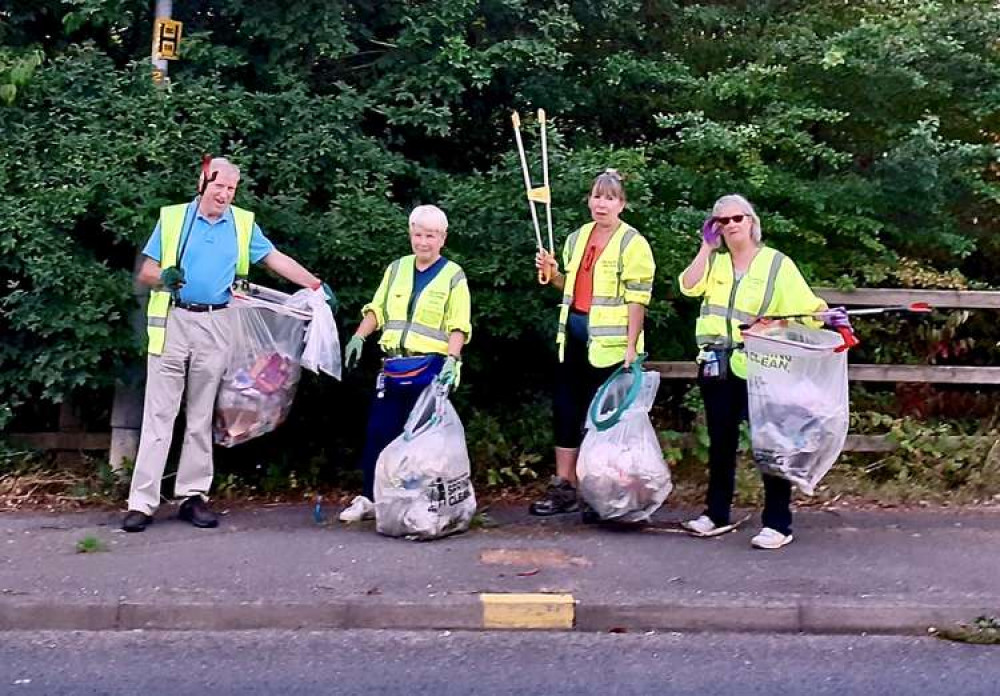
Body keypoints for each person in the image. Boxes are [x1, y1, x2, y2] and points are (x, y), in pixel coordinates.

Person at [122, 157, 336, 533]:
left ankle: (193, 496)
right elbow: (146, 270)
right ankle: (142, 503)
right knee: (159, 416)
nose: (224, 195)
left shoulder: (241, 224)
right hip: (173, 322)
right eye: (219, 186)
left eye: (231, 189)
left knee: (202, 415)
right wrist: (165, 278)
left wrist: (314, 284)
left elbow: (273, 259)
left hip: (217, 323)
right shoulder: (174, 219)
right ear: (203, 181)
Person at [677, 193, 852, 549]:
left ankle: (778, 523)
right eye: (721, 222)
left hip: (762, 369)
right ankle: (716, 513)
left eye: (736, 219)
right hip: (717, 366)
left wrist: (827, 317)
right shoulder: (716, 264)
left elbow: (805, 307)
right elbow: (688, 285)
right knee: (721, 444)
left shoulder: (776, 264)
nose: (730, 227)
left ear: (751, 221)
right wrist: (705, 248)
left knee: (772, 443)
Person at [528, 170, 656, 518]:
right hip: (573, 335)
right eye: (597, 196)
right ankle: (565, 485)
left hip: (613, 346)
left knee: (607, 419)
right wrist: (552, 273)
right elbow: (567, 286)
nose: (602, 203)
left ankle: (606, 491)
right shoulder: (577, 237)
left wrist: (631, 347)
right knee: (566, 408)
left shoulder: (633, 243)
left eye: (610, 197)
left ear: (622, 204)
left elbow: (637, 300)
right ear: (589, 200)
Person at [339, 204, 471, 522]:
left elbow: (458, 324)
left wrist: (453, 360)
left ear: (442, 238)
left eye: (430, 235)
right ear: (410, 234)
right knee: (379, 433)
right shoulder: (396, 269)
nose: (423, 242)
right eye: (417, 234)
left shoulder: (453, 275)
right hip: (394, 367)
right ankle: (370, 499)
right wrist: (359, 336)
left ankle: (421, 504)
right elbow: (378, 309)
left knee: (424, 442)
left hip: (432, 370)